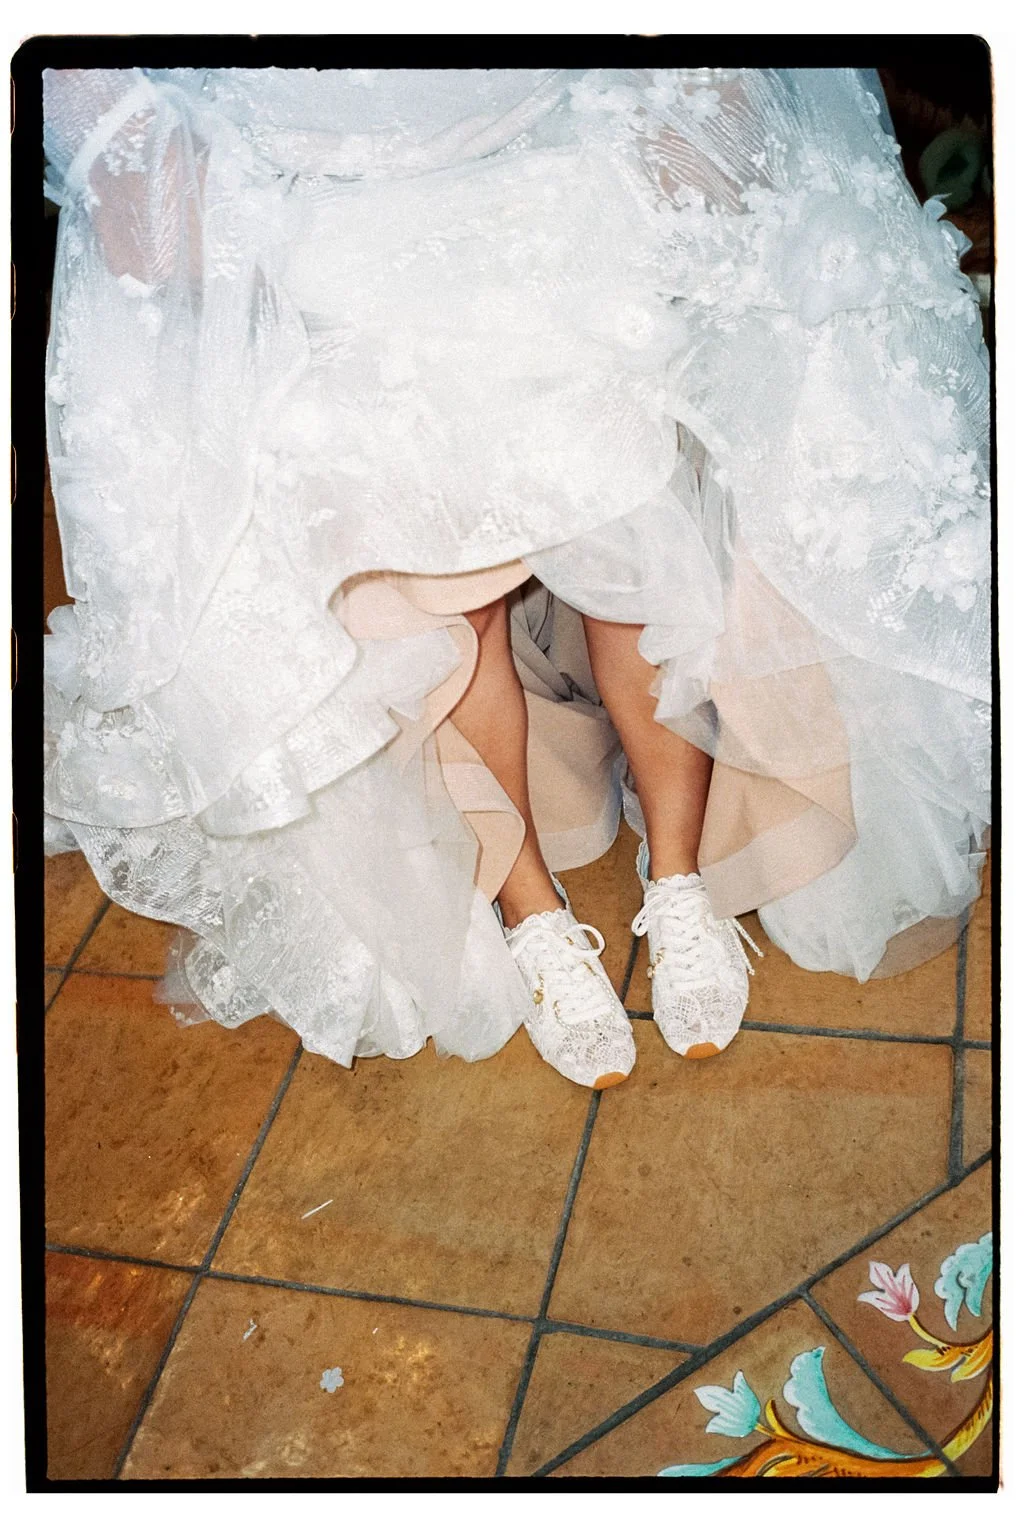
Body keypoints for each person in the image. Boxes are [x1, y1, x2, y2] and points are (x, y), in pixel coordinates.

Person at [42, 65, 991, 1089]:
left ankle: (677, 875)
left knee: (630, 544)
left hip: (549, 188)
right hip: (321, 233)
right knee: (445, 605)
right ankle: (530, 909)